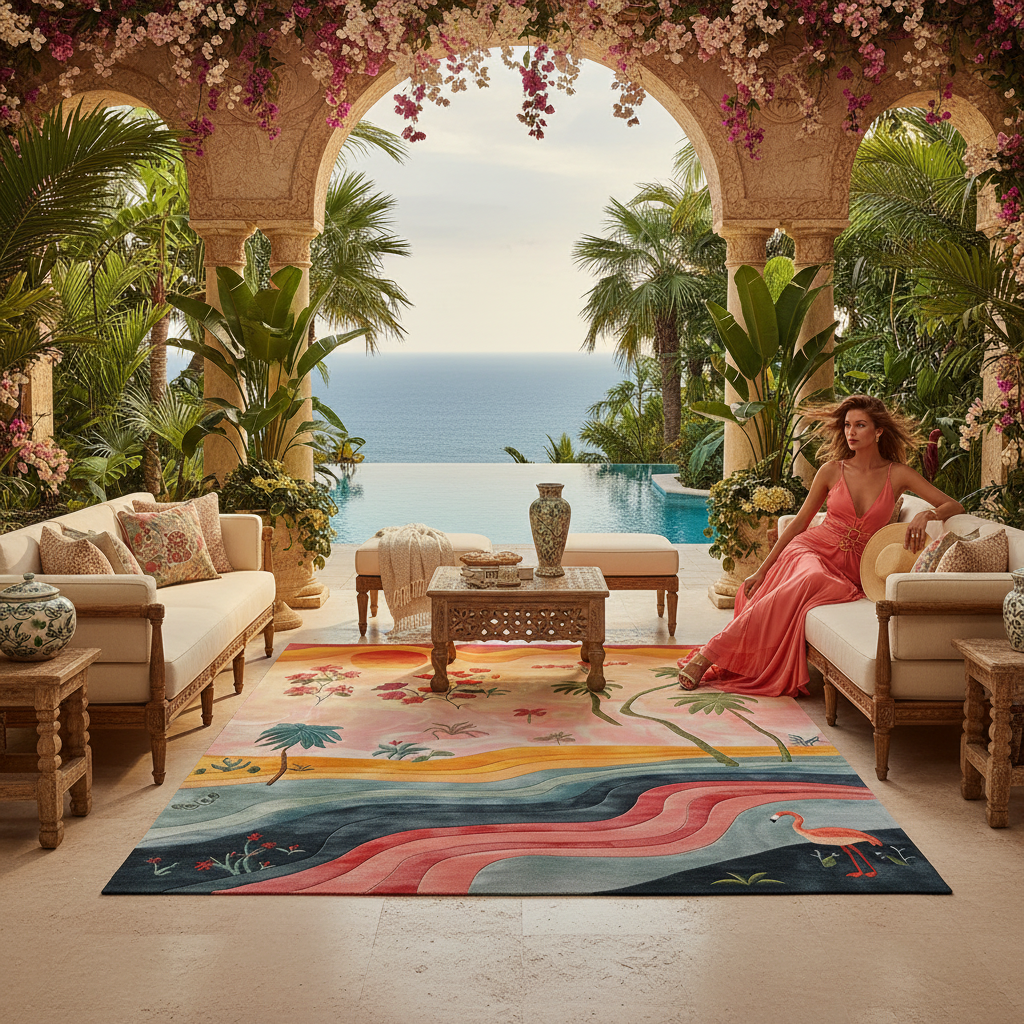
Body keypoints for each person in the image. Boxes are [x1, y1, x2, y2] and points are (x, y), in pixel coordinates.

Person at [678, 395, 966, 697]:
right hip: (811, 550)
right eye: (847, 425)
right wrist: (762, 571)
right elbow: (800, 522)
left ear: (879, 431)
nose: (850, 432)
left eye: (860, 425)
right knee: (811, 577)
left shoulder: (899, 475)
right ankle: (708, 654)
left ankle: (716, 651)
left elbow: (953, 505)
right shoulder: (831, 470)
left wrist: (927, 514)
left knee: (812, 583)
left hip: (854, 569)